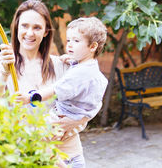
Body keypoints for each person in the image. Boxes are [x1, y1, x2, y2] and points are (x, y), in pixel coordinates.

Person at [0, 0, 89, 164]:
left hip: (70, 158)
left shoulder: (60, 66)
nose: (29, 33)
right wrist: (5, 73)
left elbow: (85, 108)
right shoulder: (3, 69)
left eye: (37, 27)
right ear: (16, 28)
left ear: (46, 32)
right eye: (25, 26)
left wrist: (66, 125)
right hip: (31, 159)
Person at [15, 17, 109, 168]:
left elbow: (54, 91)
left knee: (35, 138)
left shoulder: (79, 75)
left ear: (92, 46)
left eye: (76, 41)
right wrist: (71, 60)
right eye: (69, 40)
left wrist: (30, 97)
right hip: (76, 116)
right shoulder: (89, 67)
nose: (70, 45)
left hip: (63, 116)